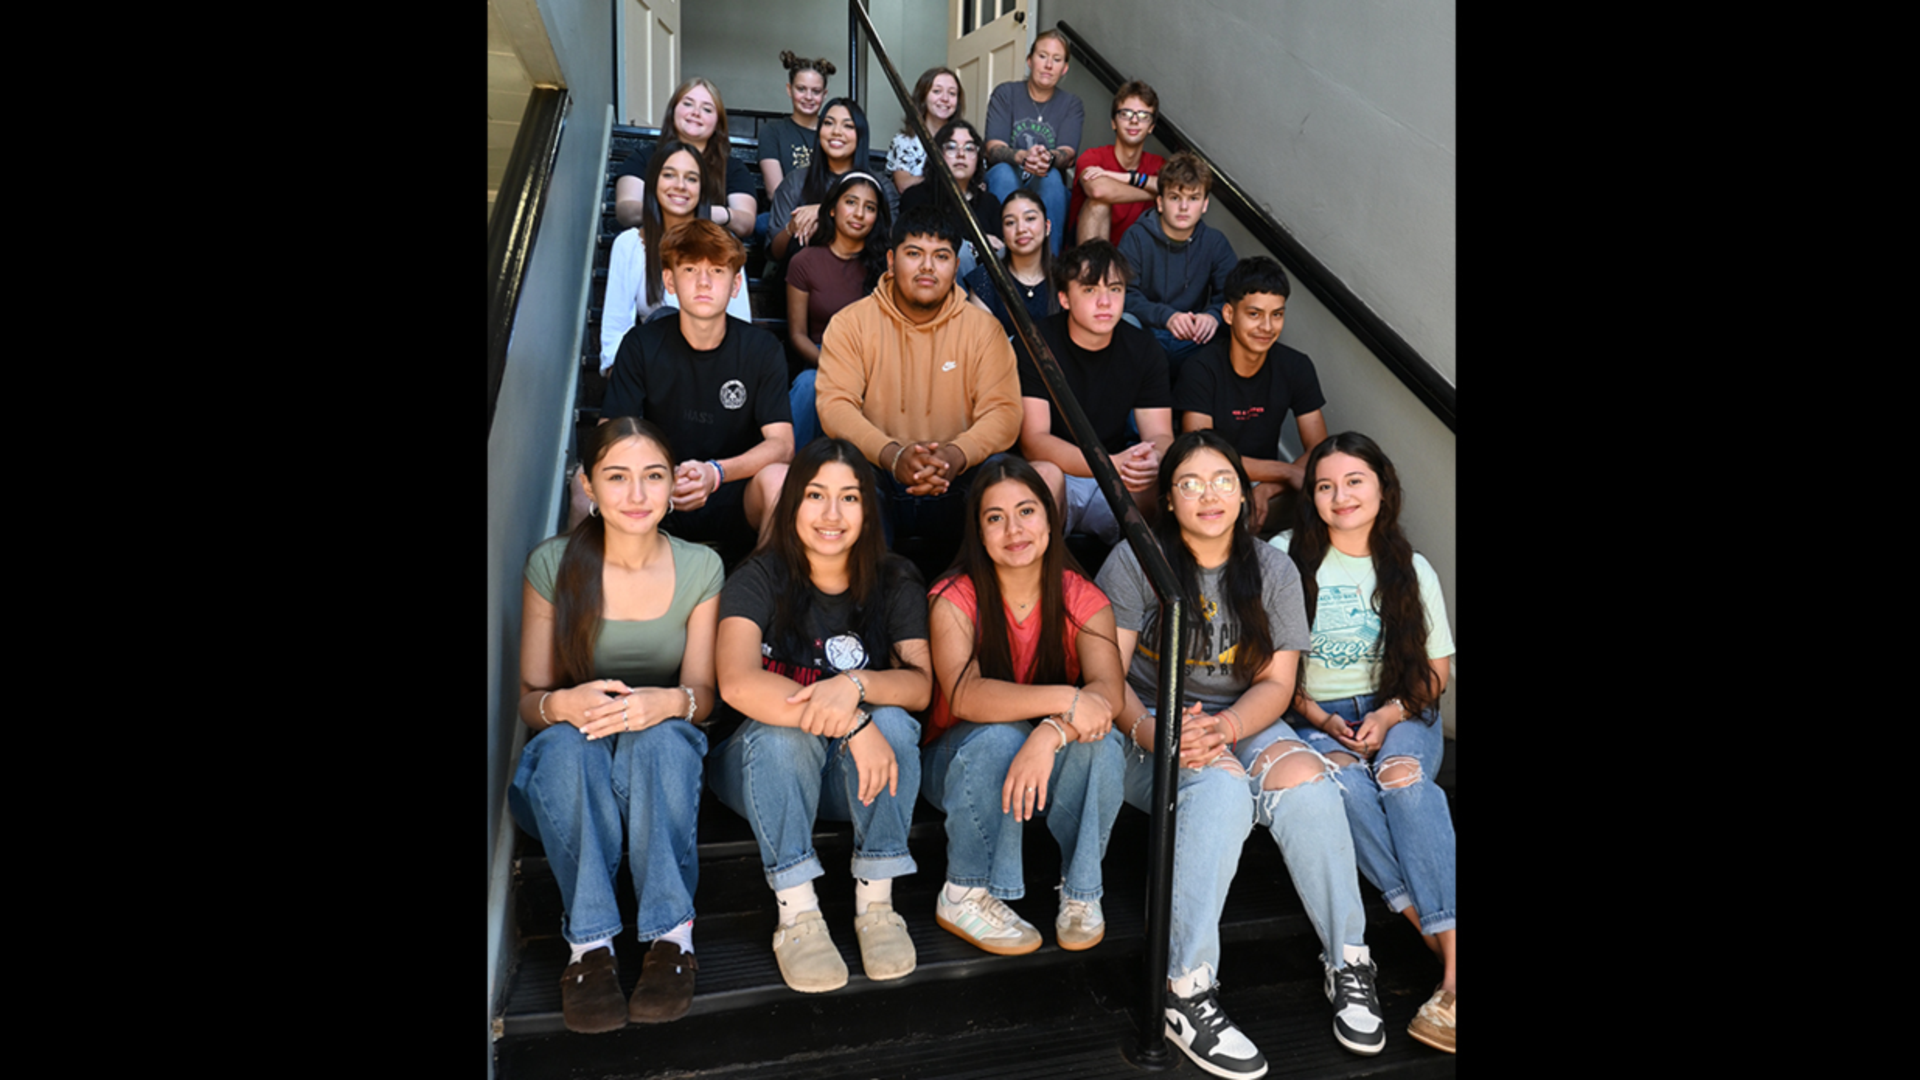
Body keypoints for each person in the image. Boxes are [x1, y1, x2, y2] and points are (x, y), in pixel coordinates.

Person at [1096, 430, 1386, 1077]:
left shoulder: (1273, 567)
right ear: (1168, 499)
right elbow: (1107, 679)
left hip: (1239, 716)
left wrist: (1224, 727)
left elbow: (1278, 683)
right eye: (1190, 483)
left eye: (1223, 480)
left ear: (1244, 494)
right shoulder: (1133, 560)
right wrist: (1157, 735)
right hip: (1142, 721)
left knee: (1308, 783)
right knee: (1221, 788)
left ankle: (1349, 960)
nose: (1209, 494)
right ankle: (1185, 987)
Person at [510, 417, 722, 1033]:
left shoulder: (701, 566)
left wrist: (668, 703)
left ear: (671, 486)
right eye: (618, 477)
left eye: (653, 477)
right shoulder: (552, 564)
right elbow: (529, 698)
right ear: (589, 486)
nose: (637, 495)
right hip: (571, 778)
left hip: (658, 771)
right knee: (565, 748)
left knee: (663, 737)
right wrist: (564, 705)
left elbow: (704, 695)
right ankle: (591, 948)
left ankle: (670, 938)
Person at [708, 438, 932, 994]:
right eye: (815, 495)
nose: (832, 515)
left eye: (849, 498)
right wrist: (855, 719)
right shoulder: (758, 577)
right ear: (792, 505)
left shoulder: (896, 577)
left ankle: (876, 905)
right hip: (758, 770)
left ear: (869, 509)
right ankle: (798, 914)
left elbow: (920, 686)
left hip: (847, 778)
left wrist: (855, 685)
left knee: (899, 725)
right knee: (788, 739)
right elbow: (736, 681)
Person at [1279, 432, 1456, 1055]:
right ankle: (1448, 952)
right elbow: (1262, 671)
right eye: (1325, 485)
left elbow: (1436, 672)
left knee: (1403, 779)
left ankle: (1453, 979)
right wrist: (1320, 719)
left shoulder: (1410, 566)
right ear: (1312, 497)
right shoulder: (1283, 557)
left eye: (1355, 480)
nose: (1340, 495)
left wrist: (1388, 714)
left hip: (1403, 707)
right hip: (1311, 716)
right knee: (1345, 789)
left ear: (1383, 486)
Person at [922, 457, 1127, 956]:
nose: (1014, 529)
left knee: (1105, 745)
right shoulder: (953, 597)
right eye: (995, 517)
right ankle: (965, 891)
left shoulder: (1083, 598)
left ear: (1051, 518)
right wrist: (1064, 701)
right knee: (1000, 736)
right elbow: (965, 694)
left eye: (1027, 511)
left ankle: (1081, 893)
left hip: (1043, 759)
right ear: (978, 531)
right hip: (959, 762)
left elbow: (1109, 697)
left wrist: (1049, 732)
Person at [815, 206, 1023, 574]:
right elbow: (835, 407)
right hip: (879, 476)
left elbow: (1004, 413)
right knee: (843, 467)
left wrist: (955, 455)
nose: (928, 267)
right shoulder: (851, 324)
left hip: (956, 478)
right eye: (914, 254)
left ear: (956, 267)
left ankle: (979, 605)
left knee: (1001, 471)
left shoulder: (983, 331)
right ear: (892, 261)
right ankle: (862, 607)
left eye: (941, 257)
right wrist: (893, 455)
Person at [602, 220, 792, 565]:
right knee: (584, 490)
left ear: (735, 285)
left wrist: (716, 473)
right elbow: (609, 433)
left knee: (780, 480)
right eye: (690, 269)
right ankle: (593, 607)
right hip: (654, 487)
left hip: (733, 486)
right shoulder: (641, 344)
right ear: (670, 280)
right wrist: (657, 474)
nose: (704, 282)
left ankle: (762, 600)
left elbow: (782, 445)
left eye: (717, 271)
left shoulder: (762, 349)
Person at [1017, 240, 1173, 547]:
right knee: (1042, 476)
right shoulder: (1036, 343)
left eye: (1114, 289)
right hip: (1062, 471)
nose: (1105, 302)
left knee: (1165, 483)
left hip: (1116, 474)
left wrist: (1151, 458)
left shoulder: (1144, 349)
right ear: (1064, 298)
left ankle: (1140, 588)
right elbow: (1034, 441)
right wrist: (1110, 463)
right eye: (1090, 290)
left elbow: (1161, 435)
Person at [1175, 256, 1327, 531]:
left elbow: (1319, 447)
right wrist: (1285, 471)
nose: (1267, 327)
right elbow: (1202, 455)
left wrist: (1268, 488)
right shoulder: (1201, 368)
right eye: (1254, 314)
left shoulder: (1296, 366)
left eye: (1277, 314)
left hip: (1263, 479)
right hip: (1206, 482)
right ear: (1229, 314)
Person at [601, 140, 752, 376]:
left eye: (691, 178)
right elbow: (615, 333)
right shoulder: (629, 245)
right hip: (651, 373)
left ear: (702, 189)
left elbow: (740, 327)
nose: (680, 186)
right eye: (669, 175)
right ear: (653, 182)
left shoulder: (724, 246)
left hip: (712, 371)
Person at [786, 173, 892, 449]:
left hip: (875, 365)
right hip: (823, 359)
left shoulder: (886, 266)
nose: (859, 213)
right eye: (851, 202)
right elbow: (798, 335)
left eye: (869, 208)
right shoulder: (804, 261)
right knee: (808, 385)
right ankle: (788, 476)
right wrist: (835, 366)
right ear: (832, 208)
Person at [1117, 151, 1237, 382]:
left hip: (1193, 339)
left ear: (1204, 205)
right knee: (1123, 322)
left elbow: (1233, 294)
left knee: (1239, 326)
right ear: (1160, 203)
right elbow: (1124, 294)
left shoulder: (1215, 242)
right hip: (1148, 332)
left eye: (1193, 198)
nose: (1184, 207)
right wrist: (1167, 317)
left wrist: (1212, 316)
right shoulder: (1136, 237)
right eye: (1175, 198)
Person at [614, 77, 757, 239]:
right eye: (688, 104)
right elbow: (625, 209)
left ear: (718, 123)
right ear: (673, 110)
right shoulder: (644, 158)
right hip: (653, 243)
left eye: (707, 109)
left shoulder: (732, 168)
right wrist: (669, 209)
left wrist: (708, 212)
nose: (695, 113)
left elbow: (746, 222)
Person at [983, 28, 1083, 256]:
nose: (1049, 65)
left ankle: (1051, 268)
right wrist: (1020, 156)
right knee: (1003, 173)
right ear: (1029, 60)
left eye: (1056, 59)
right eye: (1042, 56)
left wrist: (1047, 158)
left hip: (1046, 181)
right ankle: (1002, 264)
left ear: (1064, 68)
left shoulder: (1071, 104)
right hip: (1005, 176)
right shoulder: (1005, 93)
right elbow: (992, 149)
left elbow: (1068, 155)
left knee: (1052, 177)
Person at [769, 98, 900, 263]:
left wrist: (825, 212)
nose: (836, 132)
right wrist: (792, 227)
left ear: (861, 134)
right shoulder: (795, 181)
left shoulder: (882, 187)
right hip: (803, 277)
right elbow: (775, 252)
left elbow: (891, 246)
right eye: (829, 123)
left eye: (848, 126)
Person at [897, 119, 1003, 280]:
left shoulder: (990, 203)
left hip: (984, 291)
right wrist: (975, 245)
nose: (961, 154)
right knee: (961, 252)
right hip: (930, 281)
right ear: (937, 153)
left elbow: (1000, 249)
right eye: (952, 147)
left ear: (978, 157)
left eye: (969, 148)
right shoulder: (916, 197)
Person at [1068, 80, 1165, 245]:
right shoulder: (1093, 157)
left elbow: (1176, 188)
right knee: (1098, 205)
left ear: (1151, 127)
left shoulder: (1158, 165)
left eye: (1143, 116)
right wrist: (1155, 191)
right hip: (1086, 257)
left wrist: (1124, 178)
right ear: (1113, 122)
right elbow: (1098, 190)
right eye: (1126, 114)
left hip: (1131, 258)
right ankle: (1095, 271)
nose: (1134, 120)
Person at [965, 189, 1054, 352]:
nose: (1021, 229)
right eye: (1010, 222)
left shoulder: (1067, 276)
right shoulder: (985, 279)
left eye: (1030, 219)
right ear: (1003, 233)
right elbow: (983, 348)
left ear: (1047, 227)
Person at [757, 51, 837, 213]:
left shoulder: (834, 132)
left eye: (816, 91)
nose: (808, 97)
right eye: (801, 89)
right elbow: (776, 192)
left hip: (828, 215)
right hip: (786, 213)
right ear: (789, 89)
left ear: (824, 94)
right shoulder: (772, 132)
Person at [888, 66, 964, 194]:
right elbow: (903, 185)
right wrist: (948, 181)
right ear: (923, 97)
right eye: (937, 91)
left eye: (952, 93)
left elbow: (977, 185)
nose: (945, 98)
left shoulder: (966, 141)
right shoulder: (904, 141)